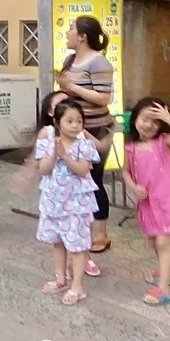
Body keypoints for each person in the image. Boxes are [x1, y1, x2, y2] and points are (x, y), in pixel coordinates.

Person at [121, 98, 170, 306]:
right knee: (154, 241)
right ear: (135, 119)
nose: (148, 125)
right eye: (145, 119)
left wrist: (169, 119)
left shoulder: (164, 141)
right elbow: (125, 171)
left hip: (168, 201)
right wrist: (133, 187)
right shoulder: (130, 148)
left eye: (155, 122)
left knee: (163, 243)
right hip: (148, 204)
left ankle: (163, 289)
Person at [58, 16, 115, 256]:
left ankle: (100, 233)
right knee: (73, 180)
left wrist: (72, 87)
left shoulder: (98, 62)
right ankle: (78, 227)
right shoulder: (70, 60)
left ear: (82, 36)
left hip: (96, 129)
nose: (68, 33)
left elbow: (103, 98)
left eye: (71, 29)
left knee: (93, 181)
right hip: (72, 130)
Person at [35, 99, 100, 306]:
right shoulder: (46, 143)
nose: (75, 125)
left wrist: (65, 156)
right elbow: (43, 169)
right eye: (69, 121)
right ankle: (61, 278)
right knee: (58, 242)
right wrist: (56, 153)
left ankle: (78, 286)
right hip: (53, 201)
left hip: (77, 203)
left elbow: (82, 170)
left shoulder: (85, 145)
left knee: (77, 246)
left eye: (79, 121)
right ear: (57, 122)